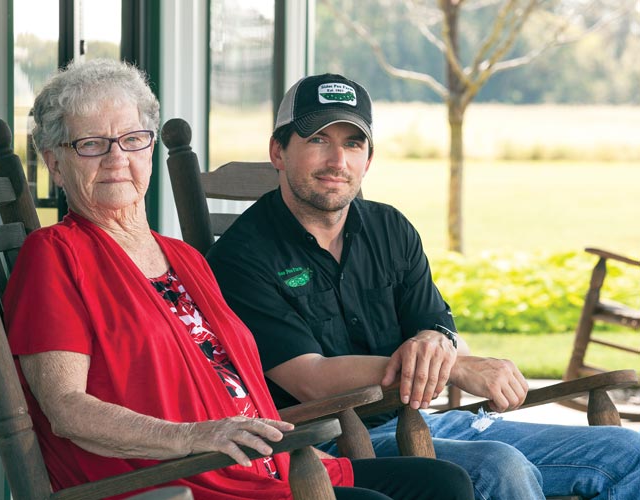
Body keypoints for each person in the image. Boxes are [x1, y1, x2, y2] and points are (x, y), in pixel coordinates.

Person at [3, 59, 474, 500]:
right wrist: (192, 436)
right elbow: (66, 408)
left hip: (265, 469)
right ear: (54, 162)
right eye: (90, 144)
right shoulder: (55, 257)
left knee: (443, 483)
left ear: (148, 149)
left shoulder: (183, 257)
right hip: (175, 483)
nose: (116, 159)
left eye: (132, 139)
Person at [206, 73, 640, 500]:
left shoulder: (390, 227)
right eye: (319, 139)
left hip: (425, 423)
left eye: (353, 143)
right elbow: (311, 379)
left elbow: (437, 328)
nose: (338, 161)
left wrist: (437, 342)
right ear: (278, 151)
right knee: (499, 466)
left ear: (368, 161)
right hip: (329, 443)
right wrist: (451, 367)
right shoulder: (241, 258)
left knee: (628, 451)